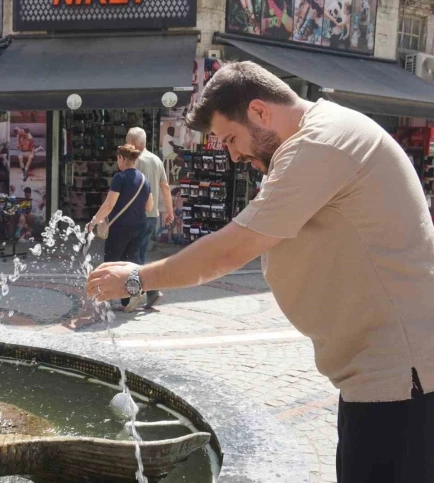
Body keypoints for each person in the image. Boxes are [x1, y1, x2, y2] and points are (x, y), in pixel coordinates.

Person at [87, 60, 434, 483]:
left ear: (260, 111)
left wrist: (138, 278)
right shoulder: (311, 140)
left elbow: (231, 249)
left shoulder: (322, 143)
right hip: (379, 376)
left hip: (401, 379)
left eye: (231, 138)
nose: (232, 154)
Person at [87, 144, 153, 313]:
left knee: (110, 263)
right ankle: (127, 299)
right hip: (139, 227)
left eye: (118, 158)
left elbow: (109, 204)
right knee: (130, 263)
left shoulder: (120, 177)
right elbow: (149, 206)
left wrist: (94, 221)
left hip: (120, 228)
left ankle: (103, 299)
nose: (117, 161)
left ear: (122, 158)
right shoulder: (145, 180)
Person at [126, 127, 173, 308]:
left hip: (136, 215)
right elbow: (165, 187)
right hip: (152, 215)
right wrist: (170, 211)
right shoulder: (156, 160)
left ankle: (142, 291)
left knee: (133, 255)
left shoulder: (134, 160)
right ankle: (150, 291)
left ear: (133, 143)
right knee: (140, 253)